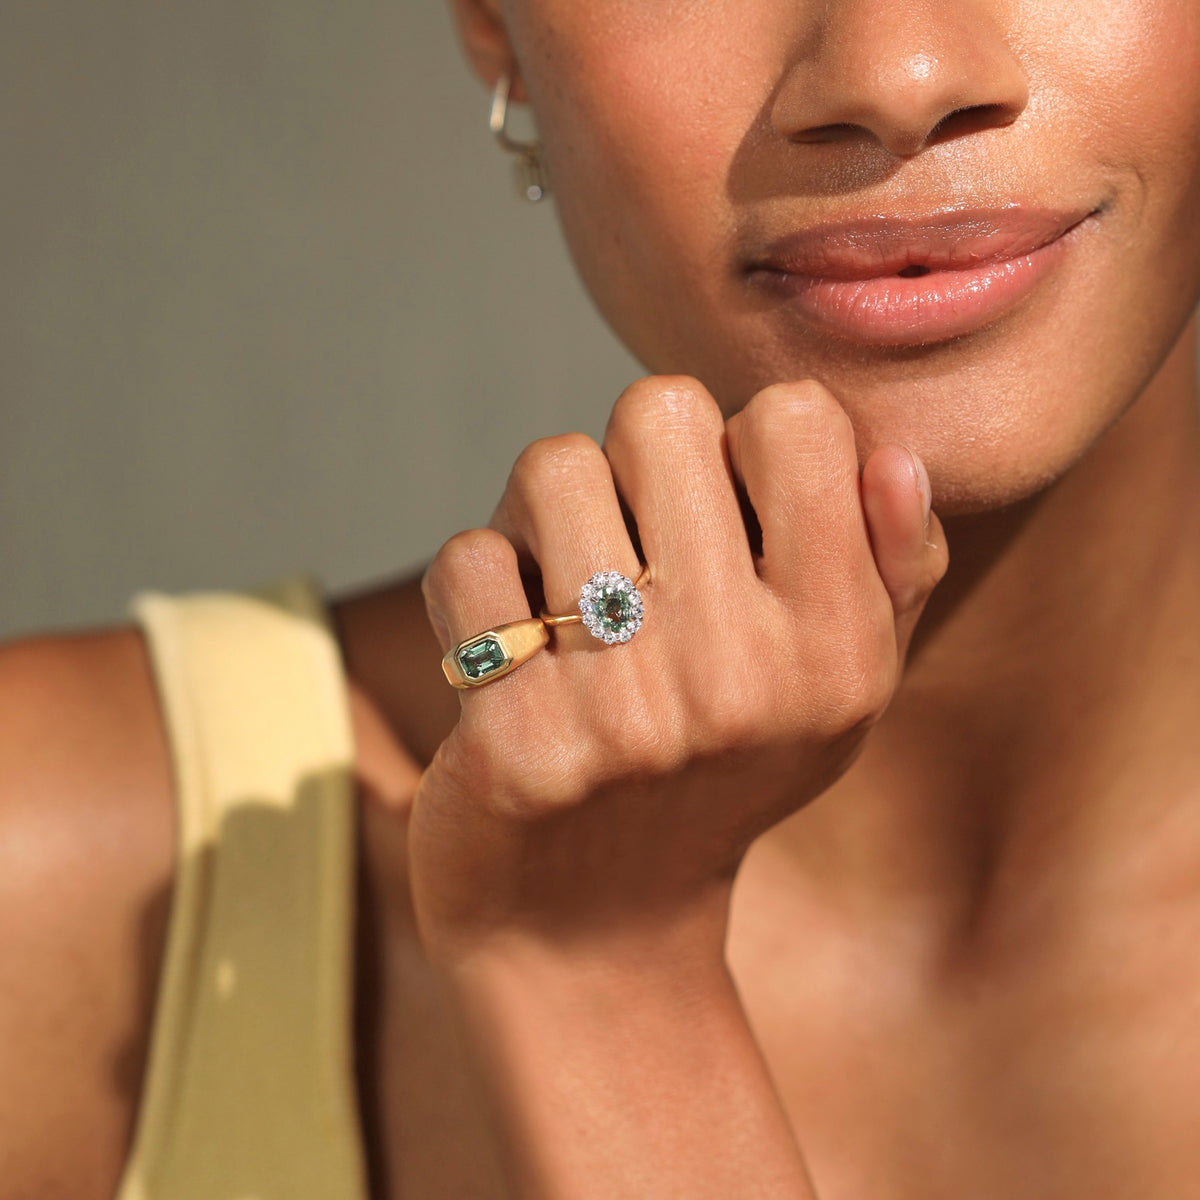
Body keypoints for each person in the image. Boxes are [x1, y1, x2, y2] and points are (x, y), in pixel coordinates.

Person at [3, 0, 1199, 1195]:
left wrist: (599, 982)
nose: (901, 74)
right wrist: (586, 946)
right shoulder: (49, 888)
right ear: (493, 26)